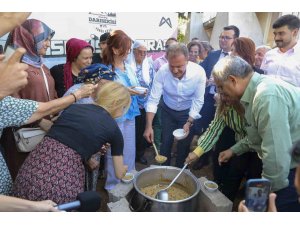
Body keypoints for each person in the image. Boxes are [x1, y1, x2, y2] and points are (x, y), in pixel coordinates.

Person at [13, 82, 129, 204]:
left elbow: (66, 134)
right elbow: (119, 174)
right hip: (62, 181)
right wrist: (124, 169)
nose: (123, 111)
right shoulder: (114, 130)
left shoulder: (73, 108)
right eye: (124, 107)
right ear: (116, 104)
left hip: (32, 168)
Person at [215, 55, 300, 212]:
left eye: (220, 87)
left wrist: (258, 200)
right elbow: (258, 136)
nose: (220, 92)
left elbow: (276, 160)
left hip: (290, 170)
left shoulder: (265, 96)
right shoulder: (254, 93)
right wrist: (234, 150)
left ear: (233, 80)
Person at [1, 18, 57, 180]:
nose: (48, 44)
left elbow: (51, 93)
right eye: (44, 39)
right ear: (28, 38)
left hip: (45, 132)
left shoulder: (41, 66)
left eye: (49, 40)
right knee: (24, 176)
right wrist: (40, 121)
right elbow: (10, 102)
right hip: (24, 136)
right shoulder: (14, 68)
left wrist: (55, 112)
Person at [185, 91, 262, 201]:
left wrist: (232, 150)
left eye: (226, 93)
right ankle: (225, 204)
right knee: (233, 176)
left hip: (261, 150)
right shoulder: (224, 105)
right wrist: (196, 153)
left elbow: (256, 137)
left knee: (256, 182)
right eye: (220, 93)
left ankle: (254, 206)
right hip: (242, 145)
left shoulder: (254, 105)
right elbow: (213, 131)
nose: (223, 97)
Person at [144, 43, 206, 168]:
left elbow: (198, 100)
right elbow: (153, 99)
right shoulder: (162, 72)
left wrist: (189, 122)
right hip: (167, 111)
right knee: (166, 142)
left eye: (179, 66)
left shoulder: (198, 72)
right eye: (172, 66)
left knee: (183, 145)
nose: (175, 70)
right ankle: (164, 170)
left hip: (187, 113)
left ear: (187, 60)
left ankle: (179, 172)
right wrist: (149, 125)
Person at [192, 25, 240, 170]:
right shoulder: (212, 55)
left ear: (235, 40)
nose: (223, 40)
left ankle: (220, 159)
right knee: (207, 128)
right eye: (221, 37)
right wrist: (206, 80)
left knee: (223, 131)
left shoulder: (238, 58)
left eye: (227, 37)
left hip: (228, 102)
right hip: (209, 99)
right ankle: (203, 158)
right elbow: (202, 73)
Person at [63, 63, 116, 191]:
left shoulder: (100, 93)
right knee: (75, 184)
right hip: (76, 150)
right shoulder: (76, 94)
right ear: (94, 80)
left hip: (94, 148)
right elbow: (66, 128)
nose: (110, 85)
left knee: (90, 184)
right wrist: (87, 158)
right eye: (106, 81)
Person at [102, 30, 140, 190]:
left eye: (130, 49)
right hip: (115, 116)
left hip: (130, 113)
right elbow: (105, 96)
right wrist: (126, 91)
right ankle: (112, 186)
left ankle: (128, 180)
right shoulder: (106, 71)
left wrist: (136, 90)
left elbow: (134, 85)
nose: (129, 52)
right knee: (114, 151)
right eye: (127, 49)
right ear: (116, 50)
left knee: (130, 149)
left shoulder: (129, 67)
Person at [127, 40, 156, 165]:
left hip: (146, 104)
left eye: (145, 52)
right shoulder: (127, 65)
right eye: (140, 52)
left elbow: (154, 83)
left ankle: (140, 154)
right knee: (133, 132)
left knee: (145, 130)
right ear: (134, 52)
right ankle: (131, 155)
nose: (143, 55)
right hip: (132, 104)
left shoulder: (149, 65)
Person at [260, 14, 300, 86]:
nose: (276, 38)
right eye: (275, 34)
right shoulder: (269, 54)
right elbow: (262, 78)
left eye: (281, 33)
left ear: (295, 32)